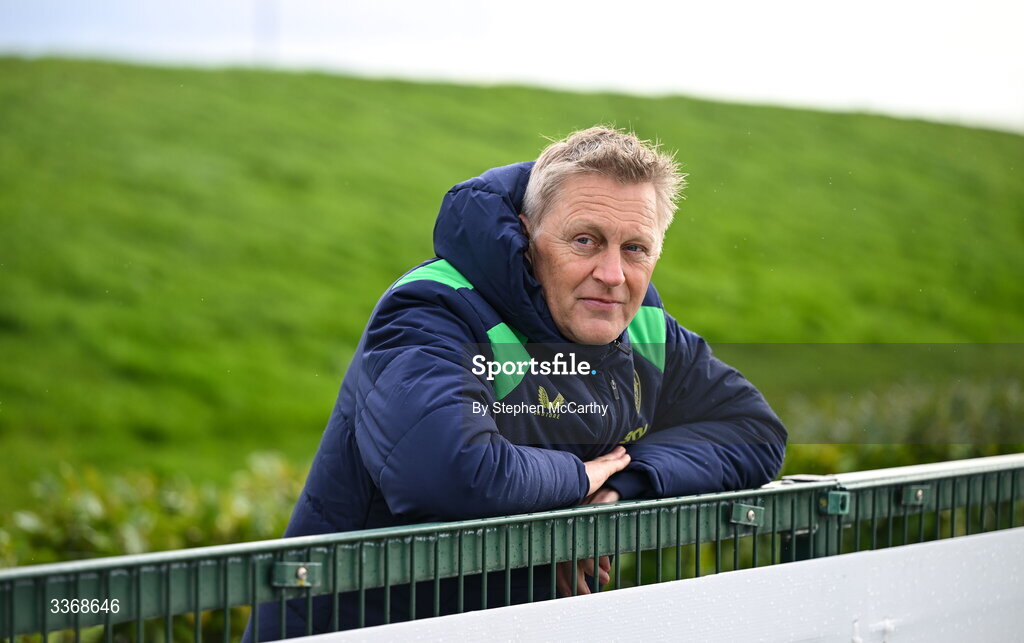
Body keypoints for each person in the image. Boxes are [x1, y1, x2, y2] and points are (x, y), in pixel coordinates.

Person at [244, 126, 787, 640]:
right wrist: (576, 478)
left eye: (635, 249)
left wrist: (618, 490)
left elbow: (753, 432)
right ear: (527, 236)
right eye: (585, 240)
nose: (613, 275)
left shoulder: (645, 328)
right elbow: (446, 471)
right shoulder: (434, 309)